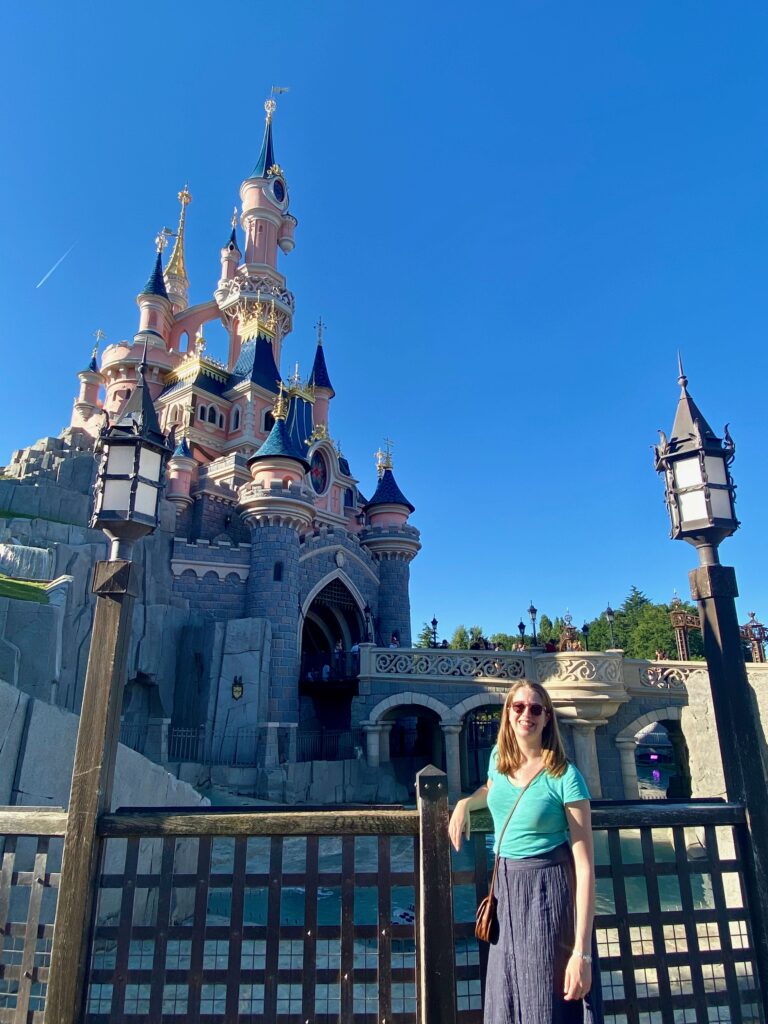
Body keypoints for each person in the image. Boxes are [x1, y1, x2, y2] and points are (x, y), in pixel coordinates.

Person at [448, 680, 602, 1024]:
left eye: (535, 709)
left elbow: (585, 866)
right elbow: (491, 788)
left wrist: (583, 953)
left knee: (545, 999)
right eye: (518, 707)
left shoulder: (565, 776)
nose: (526, 715)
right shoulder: (499, 758)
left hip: (548, 890)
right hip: (505, 889)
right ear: (507, 713)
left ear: (547, 718)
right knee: (507, 994)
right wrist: (465, 803)